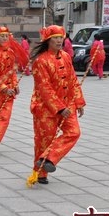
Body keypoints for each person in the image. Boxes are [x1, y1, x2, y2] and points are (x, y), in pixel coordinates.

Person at [30, 25, 85, 185]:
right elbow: (44, 87)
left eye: (61, 37)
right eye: (55, 37)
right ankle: (40, 174)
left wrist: (79, 101)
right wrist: (59, 107)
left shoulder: (67, 56)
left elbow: (73, 79)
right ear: (48, 40)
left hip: (69, 104)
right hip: (46, 107)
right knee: (44, 140)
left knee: (74, 132)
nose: (59, 40)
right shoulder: (41, 61)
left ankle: (49, 159)